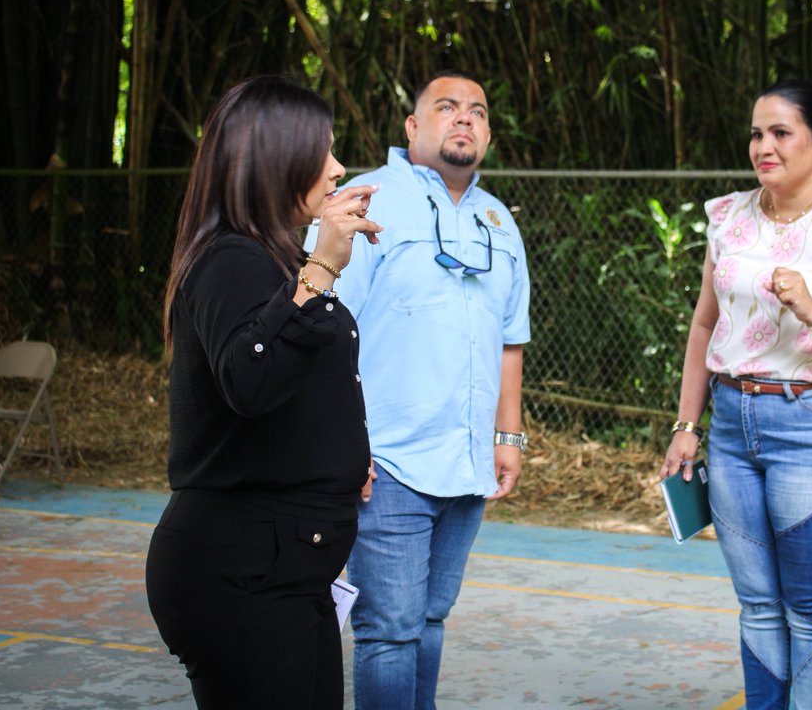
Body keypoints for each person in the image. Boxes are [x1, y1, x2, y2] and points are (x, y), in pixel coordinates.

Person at [660, 78, 812, 709]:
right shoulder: (730, 215)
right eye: (756, 133)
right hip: (731, 425)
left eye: (781, 132)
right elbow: (704, 323)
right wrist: (685, 426)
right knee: (758, 606)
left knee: (811, 608)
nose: (763, 146)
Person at [146, 75, 382, 709]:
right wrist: (323, 266)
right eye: (322, 153)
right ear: (276, 162)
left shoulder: (270, 261)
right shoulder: (230, 260)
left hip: (286, 568)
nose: (336, 169)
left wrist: (337, 462)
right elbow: (251, 379)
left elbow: (286, 388)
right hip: (240, 568)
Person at [307, 69, 531, 709]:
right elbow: (320, 326)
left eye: (478, 111)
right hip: (387, 462)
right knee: (389, 630)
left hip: (466, 464)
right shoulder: (365, 201)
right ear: (412, 126)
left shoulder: (498, 221)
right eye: (447, 107)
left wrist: (506, 436)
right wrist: (343, 446)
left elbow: (510, 338)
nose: (465, 118)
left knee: (430, 621)